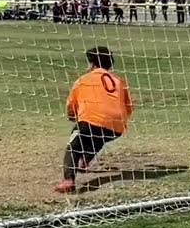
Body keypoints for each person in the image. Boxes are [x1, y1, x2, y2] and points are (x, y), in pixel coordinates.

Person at [57, 46, 133, 195]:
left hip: (91, 120)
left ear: (92, 64)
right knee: (100, 136)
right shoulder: (119, 81)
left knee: (74, 145)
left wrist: (72, 116)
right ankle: (85, 160)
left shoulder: (83, 79)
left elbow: (71, 106)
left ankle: (68, 179)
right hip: (117, 126)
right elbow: (128, 107)